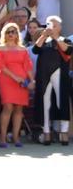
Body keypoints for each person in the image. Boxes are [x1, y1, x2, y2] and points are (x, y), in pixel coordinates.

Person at [0, 22, 34, 148]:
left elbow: (27, 66)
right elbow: (0, 66)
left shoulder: (23, 49)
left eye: (13, 31)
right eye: (8, 32)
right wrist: (16, 77)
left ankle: (16, 138)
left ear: (17, 34)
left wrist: (32, 81)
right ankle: (3, 138)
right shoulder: (0, 48)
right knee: (8, 107)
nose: (11, 34)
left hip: (22, 81)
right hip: (6, 80)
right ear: (4, 34)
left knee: (19, 109)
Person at [33, 16, 70, 145]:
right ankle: (46, 131)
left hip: (60, 74)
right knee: (45, 103)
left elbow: (68, 50)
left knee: (62, 102)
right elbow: (35, 49)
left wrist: (55, 38)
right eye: (50, 25)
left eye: (55, 26)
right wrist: (43, 36)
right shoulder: (43, 40)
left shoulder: (65, 40)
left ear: (59, 27)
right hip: (44, 75)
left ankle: (64, 132)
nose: (52, 28)